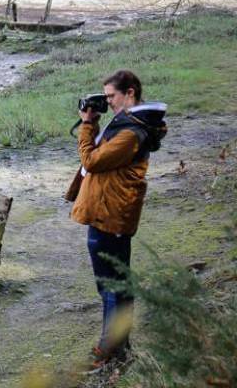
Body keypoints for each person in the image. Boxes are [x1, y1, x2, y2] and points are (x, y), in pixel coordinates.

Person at [69, 70, 167, 367]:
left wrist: (86, 125)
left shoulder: (131, 132)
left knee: (112, 285)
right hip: (109, 211)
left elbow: (92, 161)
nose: (108, 102)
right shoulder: (129, 124)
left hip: (110, 215)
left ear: (131, 93)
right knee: (115, 285)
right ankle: (119, 348)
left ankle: (107, 350)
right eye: (106, 97)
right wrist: (95, 122)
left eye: (112, 96)